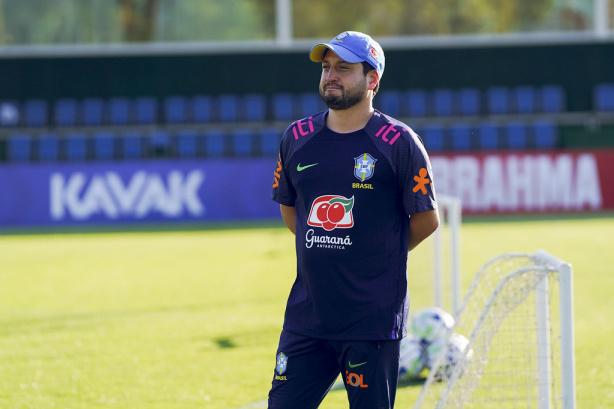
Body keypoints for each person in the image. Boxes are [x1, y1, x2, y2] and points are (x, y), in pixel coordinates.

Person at [268, 31, 439, 409]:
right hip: (306, 317)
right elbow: (290, 208)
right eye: (327, 67)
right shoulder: (296, 137)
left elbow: (426, 220)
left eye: (343, 68)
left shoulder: (398, 143)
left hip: (370, 322)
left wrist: (375, 250)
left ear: (372, 79)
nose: (330, 75)